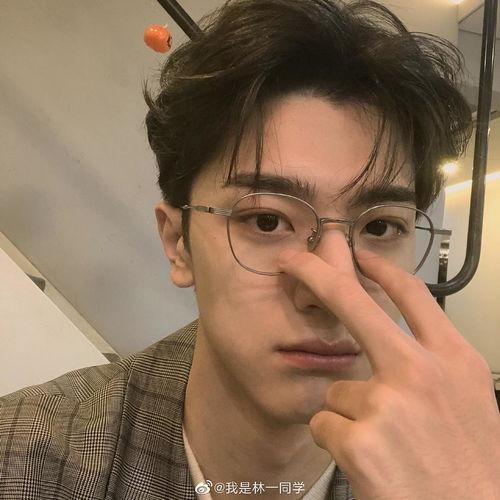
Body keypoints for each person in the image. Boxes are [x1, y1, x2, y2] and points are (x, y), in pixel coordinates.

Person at [1, 0, 499, 499]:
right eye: (267, 220)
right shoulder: (24, 458)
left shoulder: (465, 473)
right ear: (179, 243)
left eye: (381, 227)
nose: (331, 291)